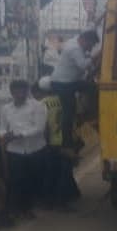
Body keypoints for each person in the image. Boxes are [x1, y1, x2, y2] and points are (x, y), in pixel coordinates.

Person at [0, 80, 48, 224]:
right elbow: (1, 127)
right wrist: (4, 135)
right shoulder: (6, 109)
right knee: (15, 180)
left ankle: (27, 208)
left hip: (35, 149)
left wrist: (21, 134)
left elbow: (39, 128)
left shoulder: (38, 106)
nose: (19, 94)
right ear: (12, 92)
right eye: (16, 91)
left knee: (31, 180)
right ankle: (15, 210)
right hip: (14, 149)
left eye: (22, 91)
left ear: (27, 91)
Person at [50, 29, 99, 151]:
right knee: (69, 113)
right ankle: (67, 143)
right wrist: (95, 56)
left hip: (71, 81)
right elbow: (83, 65)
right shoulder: (74, 48)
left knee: (92, 87)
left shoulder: (76, 42)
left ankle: (90, 114)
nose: (91, 48)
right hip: (63, 84)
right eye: (91, 44)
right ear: (85, 40)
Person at [35, 77, 80, 209]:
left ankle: (48, 201)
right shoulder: (69, 100)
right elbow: (75, 119)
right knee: (64, 173)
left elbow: (43, 127)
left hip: (50, 143)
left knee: (50, 173)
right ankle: (61, 202)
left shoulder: (41, 103)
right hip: (67, 142)